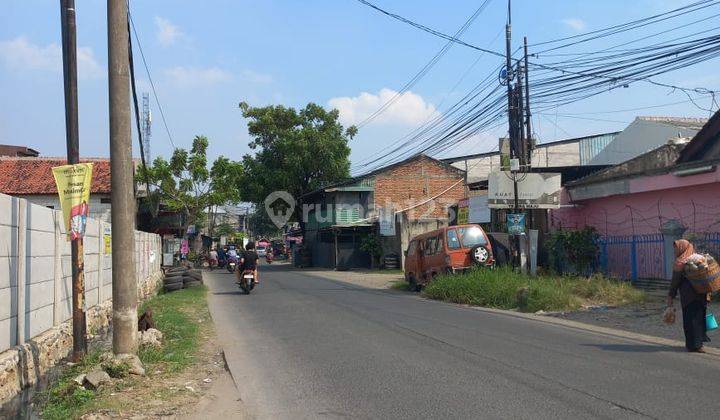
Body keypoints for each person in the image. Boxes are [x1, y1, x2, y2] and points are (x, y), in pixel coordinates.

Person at [667, 239, 711, 353]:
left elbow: (675, 282)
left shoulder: (680, 263)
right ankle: (699, 344)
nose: (675, 251)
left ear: (682, 248)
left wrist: (670, 296)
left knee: (690, 320)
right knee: (699, 319)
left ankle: (692, 345)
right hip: (701, 295)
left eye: (676, 248)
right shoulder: (698, 259)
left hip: (688, 297)